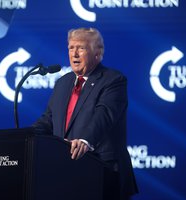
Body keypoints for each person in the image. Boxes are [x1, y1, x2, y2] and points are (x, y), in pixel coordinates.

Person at [32, 27, 138, 199]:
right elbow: (48, 119)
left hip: (103, 171)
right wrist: (27, 135)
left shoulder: (113, 80)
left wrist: (84, 140)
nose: (74, 54)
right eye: (71, 48)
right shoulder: (63, 83)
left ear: (97, 52)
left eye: (81, 48)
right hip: (66, 173)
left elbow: (104, 115)